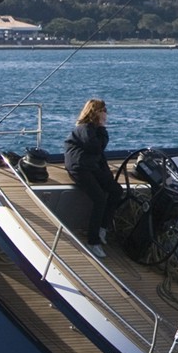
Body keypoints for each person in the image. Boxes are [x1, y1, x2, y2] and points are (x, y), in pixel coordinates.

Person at [65, 98, 121, 255]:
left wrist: (108, 178)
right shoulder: (85, 128)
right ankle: (93, 240)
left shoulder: (95, 130)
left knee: (116, 191)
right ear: (95, 112)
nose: (105, 114)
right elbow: (96, 147)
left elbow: (100, 155)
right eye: (103, 111)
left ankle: (103, 228)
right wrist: (102, 128)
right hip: (79, 167)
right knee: (99, 199)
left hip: (91, 166)